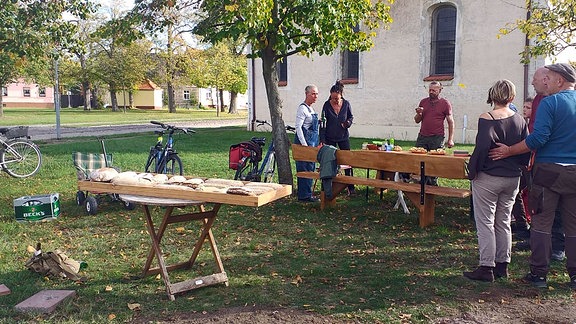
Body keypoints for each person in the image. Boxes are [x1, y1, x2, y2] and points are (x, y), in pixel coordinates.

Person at [488, 63, 576, 289]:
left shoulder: (551, 102)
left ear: (559, 80)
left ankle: (539, 274)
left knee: (541, 222)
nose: (546, 82)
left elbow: (538, 138)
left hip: (549, 171)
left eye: (550, 78)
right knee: (573, 225)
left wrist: (509, 150)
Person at [463, 80, 530, 282]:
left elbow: (482, 147)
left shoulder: (488, 118)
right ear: (512, 97)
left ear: (492, 96)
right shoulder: (520, 120)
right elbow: (526, 147)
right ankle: (503, 265)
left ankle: (486, 267)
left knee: (485, 222)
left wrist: (472, 171)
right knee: (503, 222)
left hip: (489, 177)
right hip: (512, 178)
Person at [413, 81, 455, 185]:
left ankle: (432, 185)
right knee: (417, 160)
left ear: (440, 90)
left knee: (434, 163)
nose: (431, 92)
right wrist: (419, 113)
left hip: (437, 138)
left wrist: (450, 139)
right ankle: (419, 184)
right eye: (430, 90)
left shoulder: (445, 103)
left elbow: (450, 122)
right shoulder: (423, 102)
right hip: (422, 136)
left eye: (434, 90)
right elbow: (417, 120)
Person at [320, 80, 355, 195]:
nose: (335, 101)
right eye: (333, 98)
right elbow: (323, 124)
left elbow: (351, 117)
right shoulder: (326, 105)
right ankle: (328, 187)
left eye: (337, 99)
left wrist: (347, 123)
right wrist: (322, 140)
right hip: (330, 137)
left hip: (343, 137)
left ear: (341, 95)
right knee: (329, 162)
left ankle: (351, 187)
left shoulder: (346, 104)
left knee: (348, 161)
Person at [295, 84, 321, 203]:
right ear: (307, 94)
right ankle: (304, 196)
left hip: (312, 144)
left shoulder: (311, 109)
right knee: (304, 169)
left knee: (310, 168)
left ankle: (308, 194)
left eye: (316, 94)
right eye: (313, 94)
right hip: (304, 144)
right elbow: (298, 128)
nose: (316, 96)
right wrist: (304, 145)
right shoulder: (302, 109)